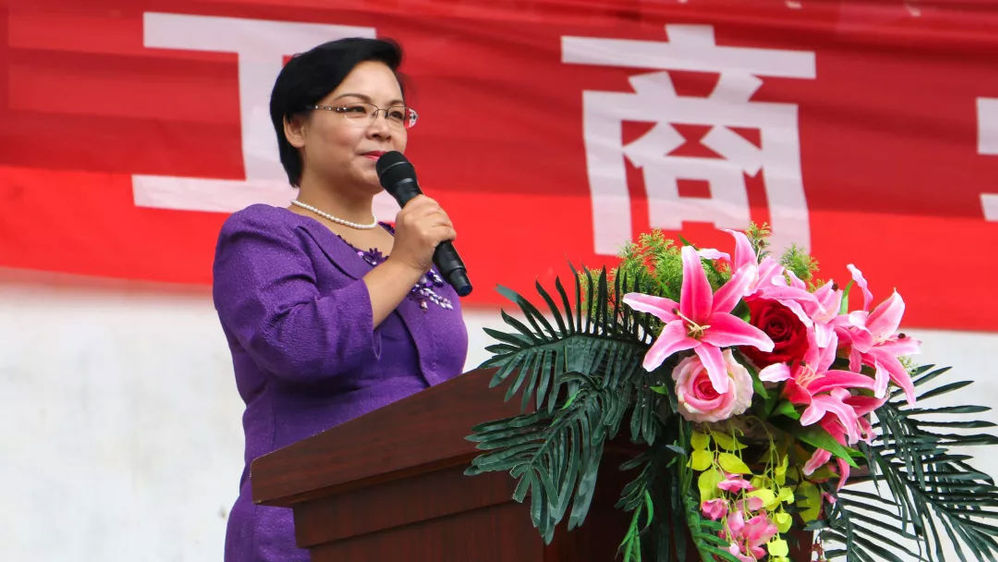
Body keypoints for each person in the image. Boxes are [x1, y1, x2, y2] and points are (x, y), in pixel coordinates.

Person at [212, 38, 468, 561]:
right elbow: (297, 346)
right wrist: (403, 264)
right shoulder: (264, 234)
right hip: (306, 528)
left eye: (395, 114)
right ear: (296, 127)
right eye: (355, 109)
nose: (383, 128)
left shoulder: (413, 246)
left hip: (426, 527)